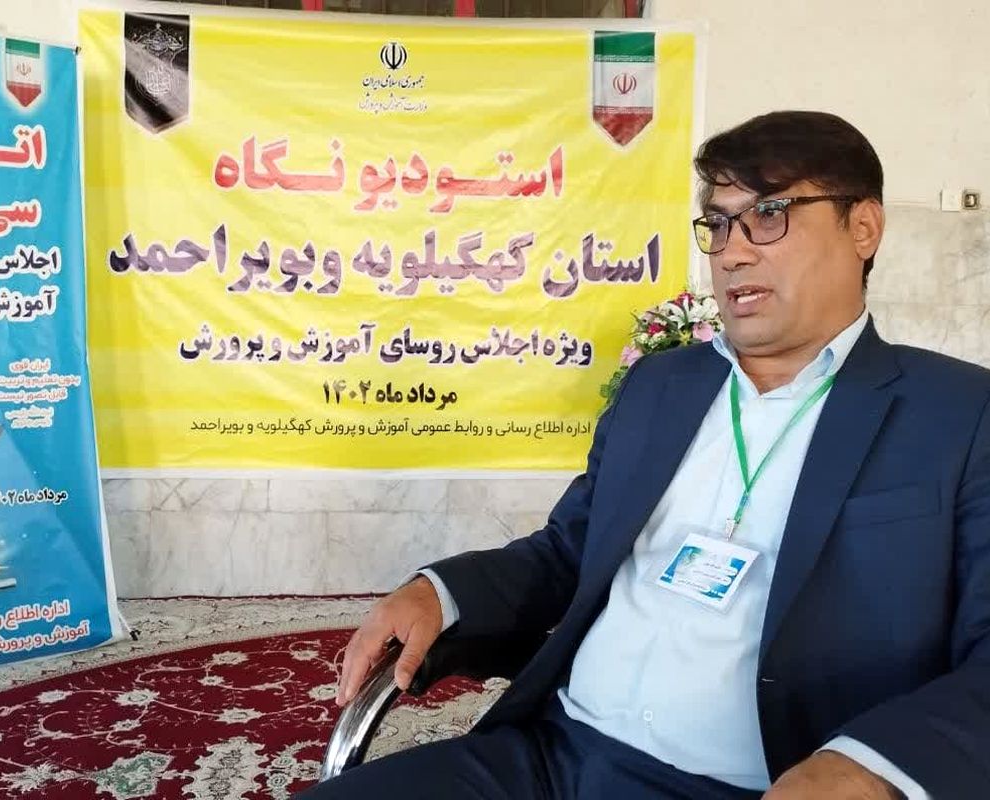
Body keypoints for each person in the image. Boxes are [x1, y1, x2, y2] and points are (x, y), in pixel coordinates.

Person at [298, 111, 990, 799]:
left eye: (767, 215)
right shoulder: (662, 385)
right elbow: (568, 552)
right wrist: (439, 592)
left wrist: (868, 768)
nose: (732, 252)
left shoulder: (958, 415)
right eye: (718, 223)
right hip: (550, 757)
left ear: (863, 227)